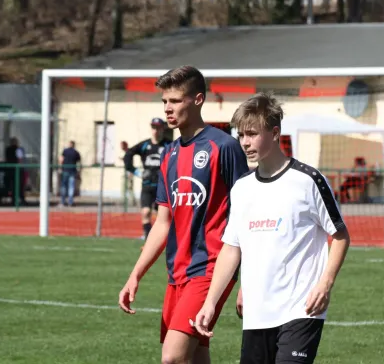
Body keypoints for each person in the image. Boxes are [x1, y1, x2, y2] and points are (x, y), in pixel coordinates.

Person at [194, 93, 351, 364]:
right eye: (241, 135)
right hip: (257, 313)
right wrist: (210, 302)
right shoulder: (242, 188)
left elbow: (339, 235)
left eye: (252, 134)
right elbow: (232, 248)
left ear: (275, 132)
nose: (245, 142)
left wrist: (325, 284)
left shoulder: (308, 180)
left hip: (302, 308)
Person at [118, 65, 249, 364]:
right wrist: (135, 275)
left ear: (198, 100)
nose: (167, 108)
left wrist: (248, 283)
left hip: (211, 269)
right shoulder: (170, 153)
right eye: (164, 101)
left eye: (175, 100)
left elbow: (246, 216)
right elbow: (163, 222)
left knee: (172, 358)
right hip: (177, 272)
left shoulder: (224, 147)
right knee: (195, 358)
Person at [123, 119, 171, 240]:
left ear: (163, 129)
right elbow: (128, 154)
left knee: (164, 215)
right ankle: (147, 235)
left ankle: (166, 236)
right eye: (154, 127)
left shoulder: (169, 145)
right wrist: (136, 171)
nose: (156, 130)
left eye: (158, 128)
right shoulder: (144, 145)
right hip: (147, 184)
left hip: (163, 186)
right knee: (145, 212)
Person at [4, 137, 26, 205]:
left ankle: (14, 200)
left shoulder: (7, 149)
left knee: (13, 186)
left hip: (10, 170)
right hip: (17, 170)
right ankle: (21, 200)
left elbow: (6, 159)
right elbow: (20, 159)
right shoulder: (18, 149)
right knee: (19, 186)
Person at [59, 140, 81, 207]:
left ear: (69, 144)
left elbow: (61, 159)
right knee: (71, 187)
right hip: (72, 171)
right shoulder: (76, 153)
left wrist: (60, 168)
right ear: (74, 145)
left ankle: (62, 202)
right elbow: (78, 163)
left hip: (65, 170)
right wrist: (78, 172)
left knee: (64, 186)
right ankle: (70, 202)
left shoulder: (65, 151)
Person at [120, 141, 138, 207]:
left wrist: (131, 174)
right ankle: (124, 201)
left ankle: (133, 201)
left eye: (121, 145)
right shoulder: (126, 153)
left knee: (130, 188)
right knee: (123, 188)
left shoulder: (129, 152)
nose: (121, 147)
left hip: (129, 173)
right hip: (126, 173)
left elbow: (130, 163)